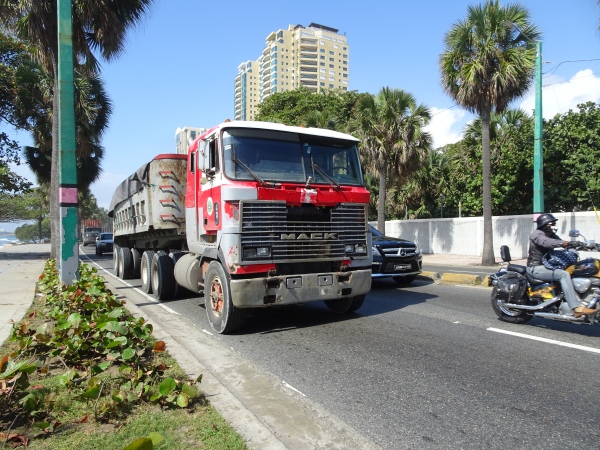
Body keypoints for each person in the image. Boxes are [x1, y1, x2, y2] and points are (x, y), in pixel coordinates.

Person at [526, 213, 596, 318]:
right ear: (544, 225)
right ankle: (576, 308)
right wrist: (565, 243)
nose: (554, 226)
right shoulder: (537, 234)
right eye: (551, 224)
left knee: (576, 269)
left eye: (553, 223)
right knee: (563, 275)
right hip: (536, 268)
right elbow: (548, 243)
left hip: (547, 266)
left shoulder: (550, 234)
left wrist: (582, 245)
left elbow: (560, 242)